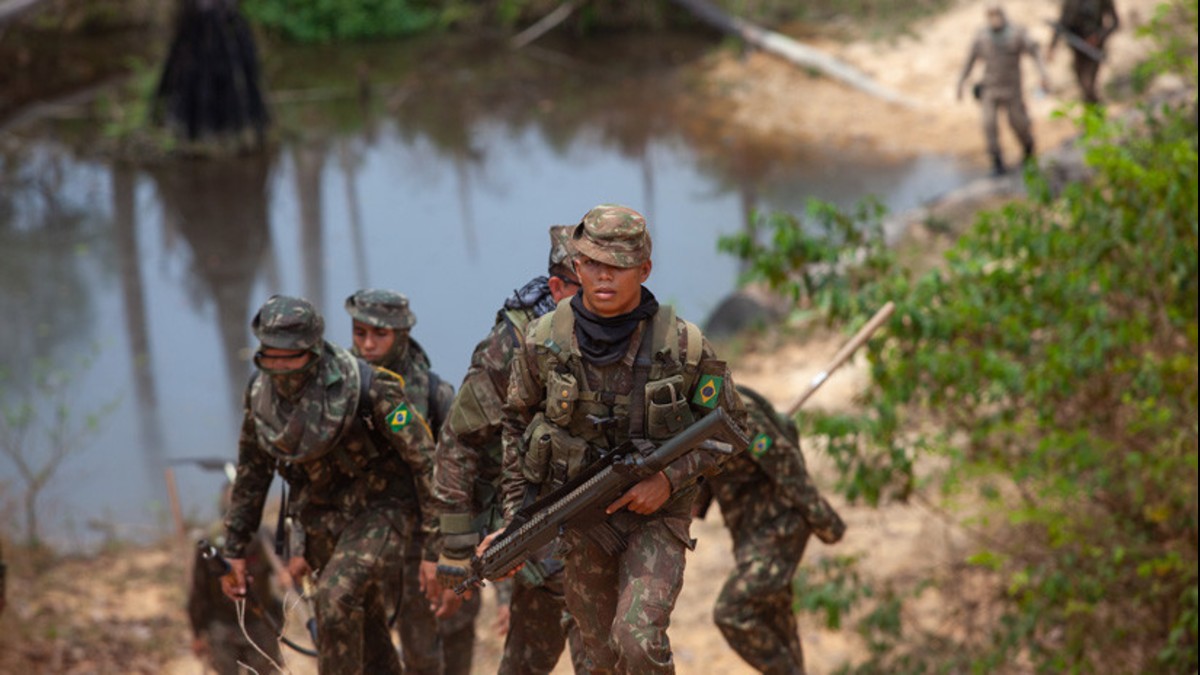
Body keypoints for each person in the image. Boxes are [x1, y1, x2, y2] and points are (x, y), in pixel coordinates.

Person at [492, 204, 750, 674]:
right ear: (575, 266)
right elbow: (515, 425)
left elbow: (732, 428)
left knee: (636, 640)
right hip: (582, 516)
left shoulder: (682, 344)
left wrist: (669, 480)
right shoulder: (543, 340)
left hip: (655, 517)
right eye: (591, 264)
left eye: (617, 266)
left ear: (644, 269)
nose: (602, 277)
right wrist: (516, 520)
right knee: (599, 657)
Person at [220, 294, 440, 675]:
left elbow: (426, 461)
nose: (280, 366)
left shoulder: (373, 387)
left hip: (381, 511)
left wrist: (436, 547)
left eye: (291, 356)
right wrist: (235, 547)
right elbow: (253, 473)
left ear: (314, 351)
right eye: (270, 355)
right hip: (320, 520)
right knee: (367, 636)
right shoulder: (260, 397)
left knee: (334, 600)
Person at [434, 225, 587, 674]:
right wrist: (456, 542)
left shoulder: (622, 324)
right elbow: (460, 441)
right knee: (529, 654)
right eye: (588, 280)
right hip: (528, 511)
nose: (604, 291)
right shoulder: (514, 344)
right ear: (558, 286)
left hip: (594, 507)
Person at [693, 385, 846, 675]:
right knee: (776, 622)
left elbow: (784, 463)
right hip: (748, 531)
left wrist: (825, 521)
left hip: (780, 525)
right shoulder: (689, 407)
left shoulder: (731, 406)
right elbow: (705, 469)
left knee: (732, 611)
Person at [342, 288, 454, 675]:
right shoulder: (339, 387)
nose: (368, 345)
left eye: (380, 335)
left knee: (421, 650)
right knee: (363, 648)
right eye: (359, 334)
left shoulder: (433, 393)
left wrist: (437, 549)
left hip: (416, 539)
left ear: (402, 334)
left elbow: (449, 474)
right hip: (357, 533)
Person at [188, 487, 284, 675]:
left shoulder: (262, 537)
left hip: (260, 621)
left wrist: (286, 573)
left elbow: (283, 569)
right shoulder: (211, 543)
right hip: (223, 624)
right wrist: (197, 634)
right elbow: (199, 591)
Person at [956, 3, 1051, 176]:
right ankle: (997, 161)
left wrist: (1043, 75)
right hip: (990, 88)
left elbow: (1035, 52)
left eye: (997, 15)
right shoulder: (982, 37)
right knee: (988, 124)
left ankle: (1028, 151)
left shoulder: (1016, 33)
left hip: (1012, 89)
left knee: (1018, 123)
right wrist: (960, 83)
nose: (995, 19)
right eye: (991, 16)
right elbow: (969, 61)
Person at [1048, 0, 1119, 104]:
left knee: (1088, 85)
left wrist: (1098, 37)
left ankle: (1097, 111)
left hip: (1094, 50)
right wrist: (1052, 46)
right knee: (1083, 85)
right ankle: (1092, 113)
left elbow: (1115, 23)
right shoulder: (1071, 3)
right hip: (1077, 49)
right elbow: (1063, 23)